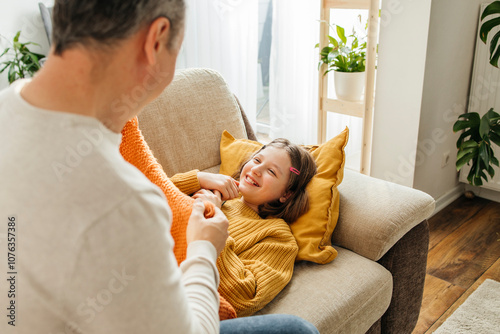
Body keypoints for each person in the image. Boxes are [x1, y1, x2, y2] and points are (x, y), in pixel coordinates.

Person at [0, 1, 319, 333]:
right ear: (156, 40)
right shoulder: (126, 204)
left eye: (272, 172)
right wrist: (204, 247)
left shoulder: (9, 111)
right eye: (177, 50)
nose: (256, 170)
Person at [193, 139, 317, 316]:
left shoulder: (278, 237)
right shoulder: (215, 190)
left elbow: (244, 297)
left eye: (272, 172)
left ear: (286, 194)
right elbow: (148, 195)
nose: (256, 170)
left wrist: (214, 217)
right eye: (257, 160)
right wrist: (199, 178)